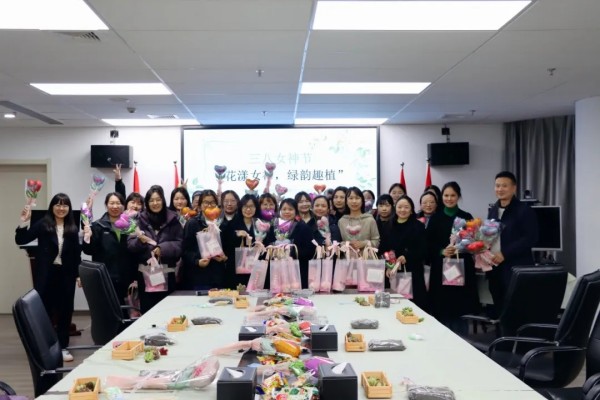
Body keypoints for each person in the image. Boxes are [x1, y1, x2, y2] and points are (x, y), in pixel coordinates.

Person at [15, 193, 81, 362]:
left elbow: (76, 254)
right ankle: (45, 346)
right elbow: (21, 239)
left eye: (65, 205)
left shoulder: (72, 228)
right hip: (46, 275)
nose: (61, 208)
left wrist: (78, 275)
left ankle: (63, 347)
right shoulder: (43, 224)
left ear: (69, 208)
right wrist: (23, 222)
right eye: (58, 205)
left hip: (66, 275)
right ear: (52, 207)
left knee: (65, 311)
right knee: (44, 311)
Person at [426, 182, 480, 334]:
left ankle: (462, 340)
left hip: (461, 269)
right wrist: (441, 251)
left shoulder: (466, 217)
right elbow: (428, 244)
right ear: (441, 197)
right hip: (440, 269)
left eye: (453, 195)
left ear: (458, 196)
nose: (449, 198)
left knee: (460, 310)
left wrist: (460, 248)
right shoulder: (435, 218)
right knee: (441, 309)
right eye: (446, 195)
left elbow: (473, 243)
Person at [487, 171, 538, 314]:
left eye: (504, 186)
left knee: (516, 309)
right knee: (499, 307)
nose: (500, 189)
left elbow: (531, 238)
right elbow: (490, 235)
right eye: (497, 186)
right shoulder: (493, 209)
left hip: (515, 268)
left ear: (514, 188)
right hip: (495, 268)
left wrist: (504, 253)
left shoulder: (524, 210)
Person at [127, 185, 183, 313]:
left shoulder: (173, 219)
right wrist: (140, 241)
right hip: (145, 273)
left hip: (168, 272)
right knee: (148, 311)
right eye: (151, 200)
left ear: (163, 200)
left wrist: (162, 248)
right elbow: (130, 244)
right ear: (147, 202)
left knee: (168, 311)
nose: (155, 203)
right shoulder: (138, 219)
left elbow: (180, 244)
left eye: (158, 199)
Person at [82, 192, 134, 305]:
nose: (115, 206)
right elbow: (88, 250)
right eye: (112, 203)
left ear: (123, 206)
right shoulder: (97, 226)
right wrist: (87, 236)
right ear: (106, 205)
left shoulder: (130, 226)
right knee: (106, 309)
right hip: (104, 277)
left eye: (118, 203)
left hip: (126, 278)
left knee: (126, 310)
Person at [380, 195, 427, 309]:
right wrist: (389, 265)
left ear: (411, 210)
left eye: (406, 207)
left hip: (413, 271)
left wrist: (407, 256)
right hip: (392, 272)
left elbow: (423, 249)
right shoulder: (388, 226)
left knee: (413, 306)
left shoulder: (418, 226)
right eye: (400, 207)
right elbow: (384, 248)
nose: (402, 210)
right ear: (395, 208)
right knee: (393, 305)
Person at [181, 190, 228, 290]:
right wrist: (197, 261)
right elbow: (185, 250)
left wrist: (224, 258)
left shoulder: (222, 224)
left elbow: (228, 248)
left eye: (212, 202)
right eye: (206, 202)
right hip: (199, 276)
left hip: (219, 276)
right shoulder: (192, 223)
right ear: (200, 205)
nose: (209, 205)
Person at [273, 198, 315, 288]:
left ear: (296, 211)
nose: (287, 212)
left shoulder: (303, 227)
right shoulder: (275, 227)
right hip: (278, 268)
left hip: (298, 269)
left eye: (290, 209)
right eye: (284, 209)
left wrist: (291, 253)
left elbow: (310, 250)